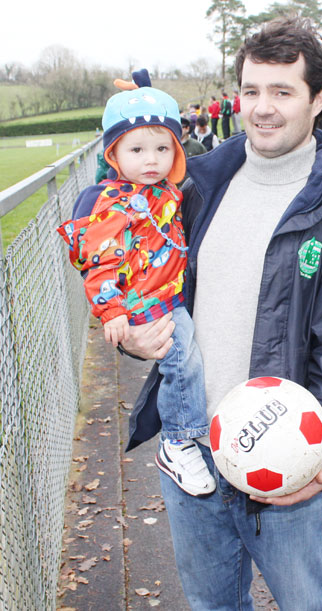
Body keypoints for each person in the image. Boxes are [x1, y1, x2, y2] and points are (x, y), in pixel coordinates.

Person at [120, 17, 322, 610]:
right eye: (251, 90)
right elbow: (142, 279)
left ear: (319, 99)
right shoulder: (195, 185)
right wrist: (133, 334)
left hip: (283, 463)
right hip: (190, 456)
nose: (262, 108)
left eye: (282, 91)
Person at [58, 69, 215, 498]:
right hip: (147, 304)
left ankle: (185, 433)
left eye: (162, 148)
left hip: (168, 293)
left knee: (187, 360)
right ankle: (180, 440)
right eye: (138, 149)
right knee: (183, 361)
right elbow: (98, 261)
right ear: (114, 152)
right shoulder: (110, 201)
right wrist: (112, 311)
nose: (151, 159)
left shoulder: (167, 189)